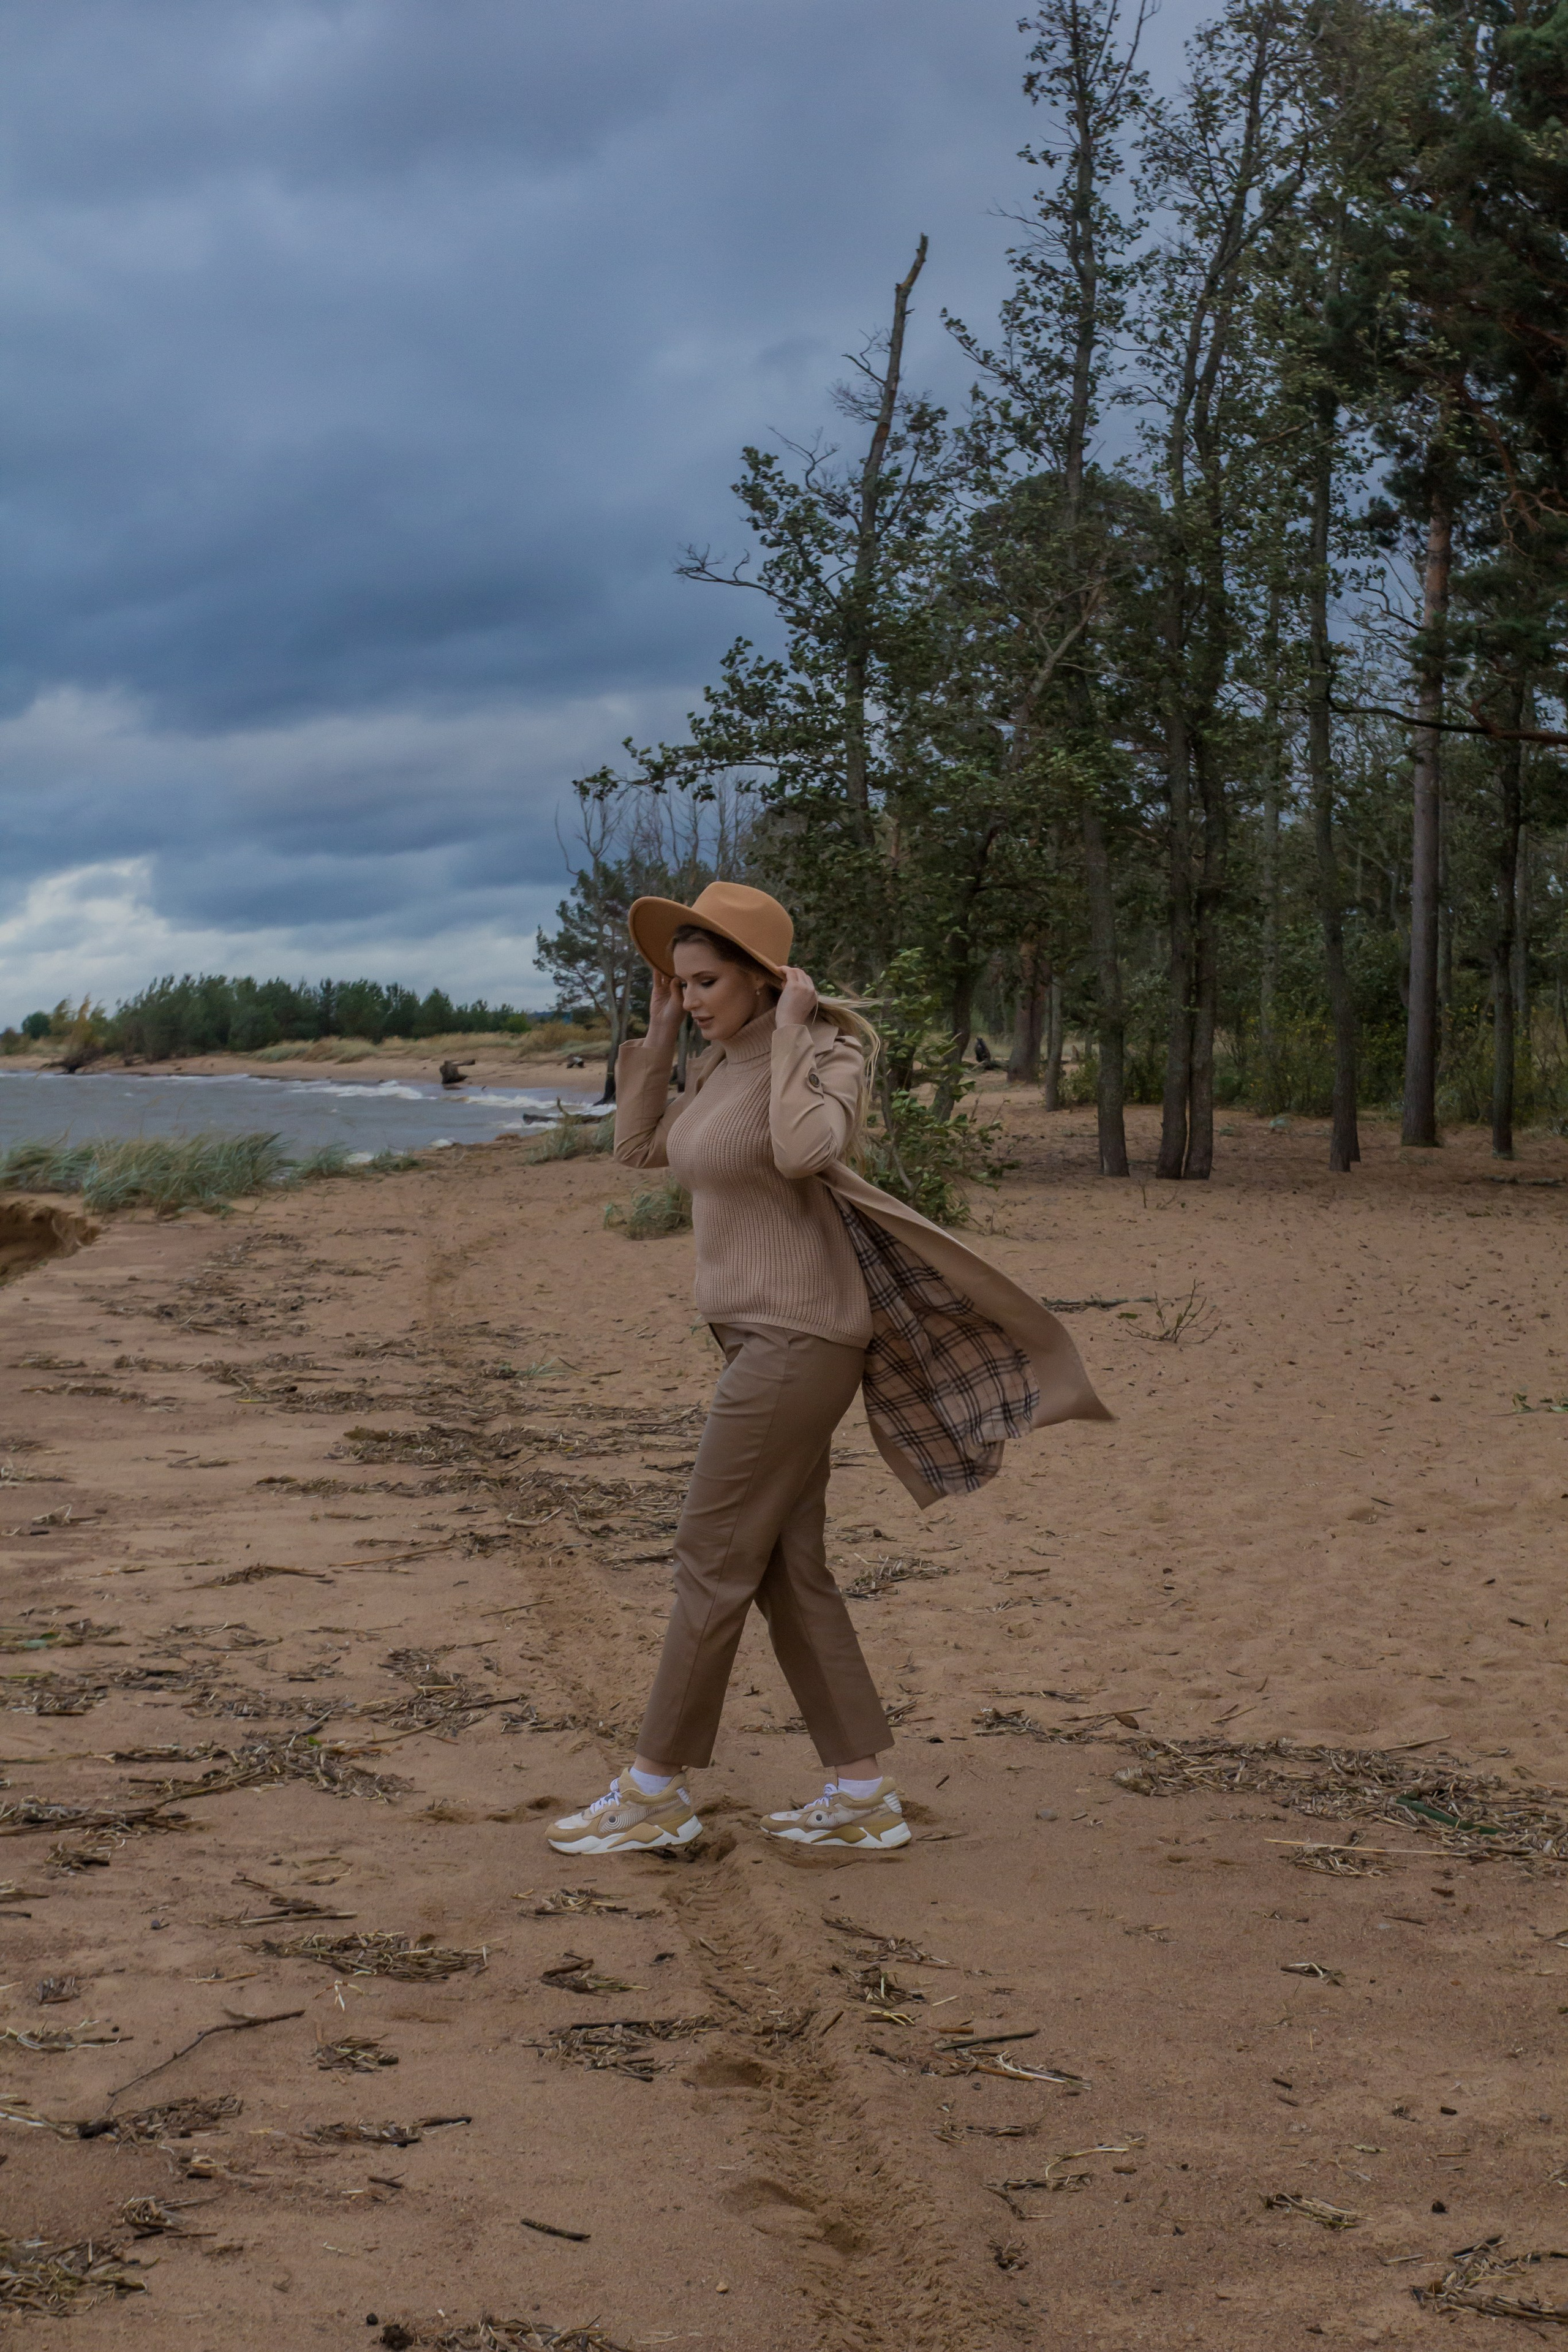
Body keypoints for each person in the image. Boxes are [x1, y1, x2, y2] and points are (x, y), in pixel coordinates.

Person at [548, 882, 1109, 1859]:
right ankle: (859, 1793)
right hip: (754, 1339)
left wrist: (802, 1034)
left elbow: (809, 1152)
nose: (696, 998)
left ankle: (653, 1790)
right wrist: (659, 1038)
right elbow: (640, 1149)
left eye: (709, 980)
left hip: (798, 1340)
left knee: (708, 1558)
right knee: (783, 1569)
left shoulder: (825, 1057)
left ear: (769, 980)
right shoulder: (718, 1066)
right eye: (682, 983)